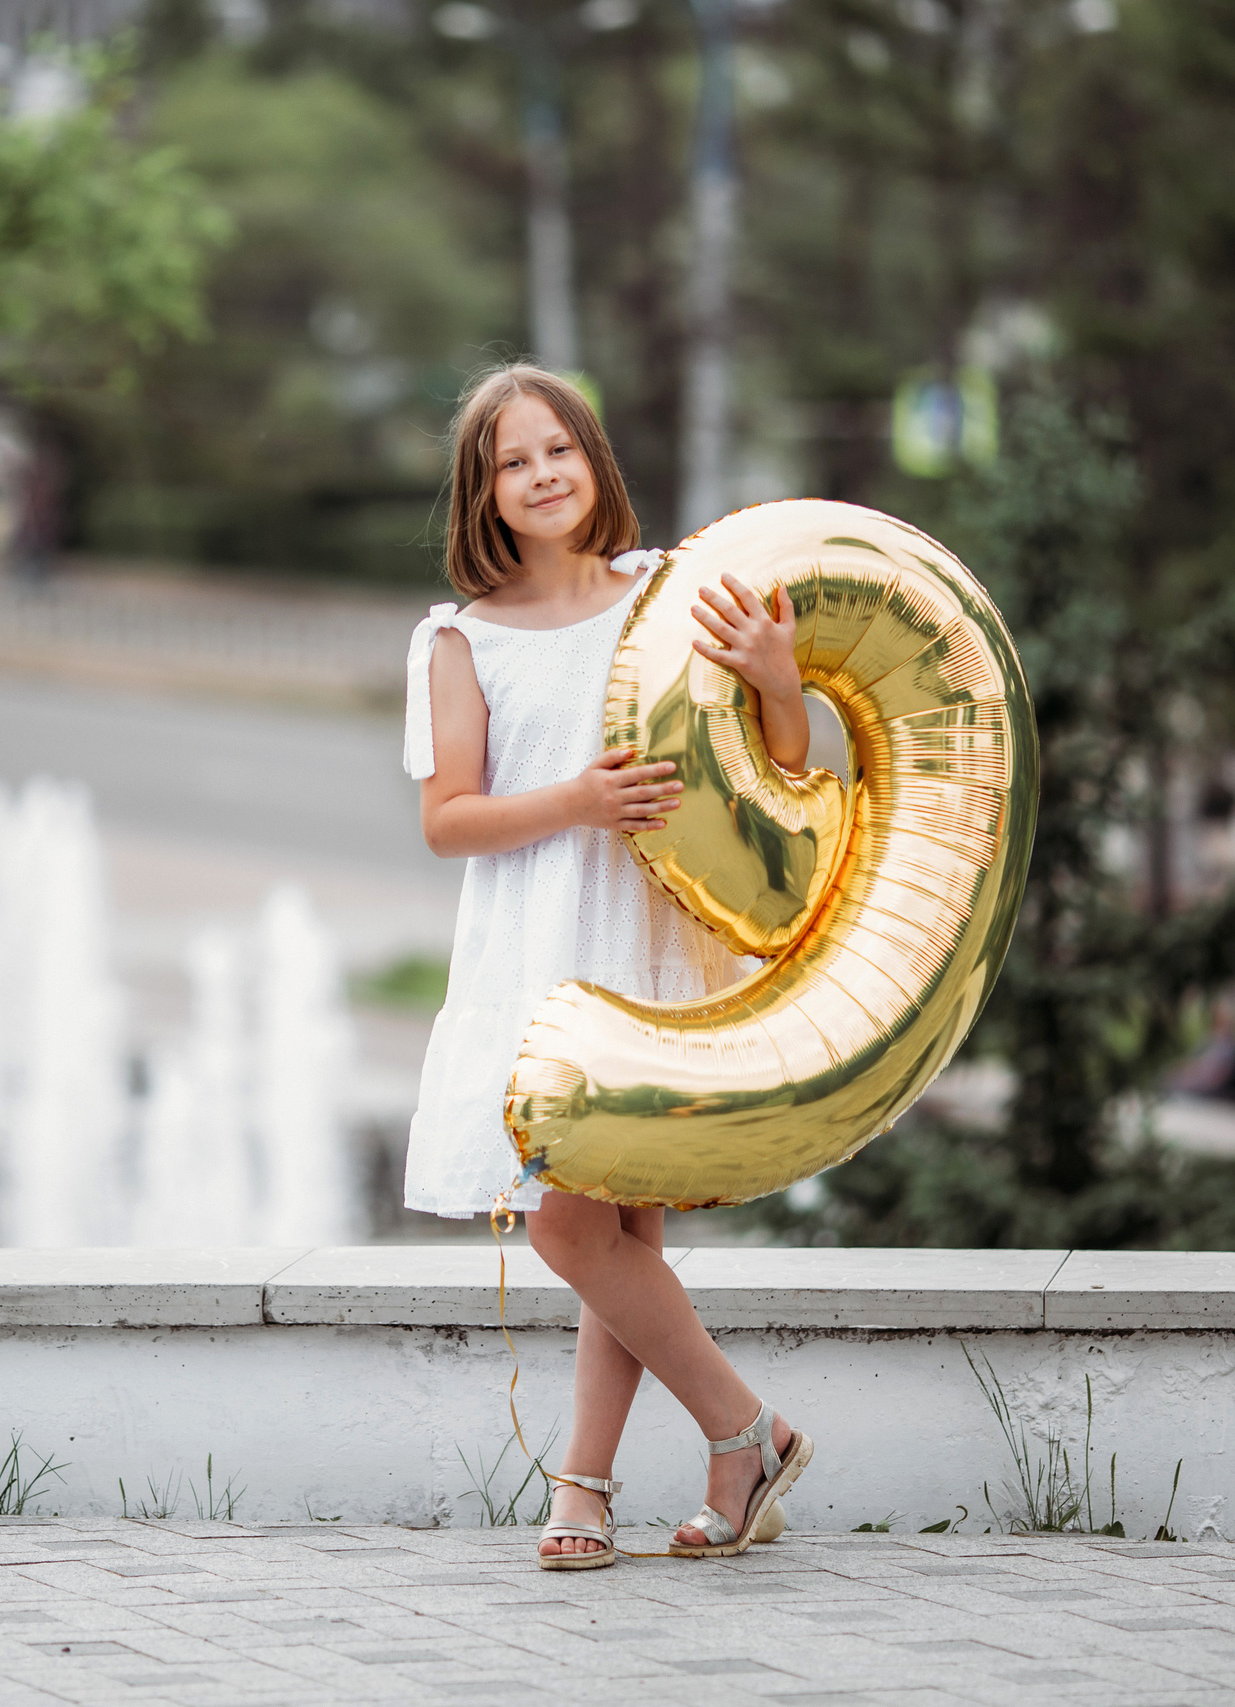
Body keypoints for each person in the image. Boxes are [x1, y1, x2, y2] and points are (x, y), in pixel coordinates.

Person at [402, 364, 815, 1570]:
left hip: (652, 938)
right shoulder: (456, 641)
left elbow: (771, 758)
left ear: (595, 460)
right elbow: (448, 820)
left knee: (590, 1231)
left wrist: (780, 681)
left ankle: (650, 1469)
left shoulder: (666, 593)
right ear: (483, 493)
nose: (539, 476)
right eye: (511, 462)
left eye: (557, 451)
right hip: (540, 947)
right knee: (593, 1232)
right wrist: (578, 799)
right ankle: (721, 1448)